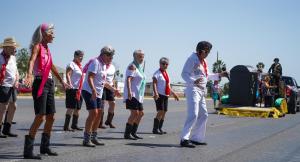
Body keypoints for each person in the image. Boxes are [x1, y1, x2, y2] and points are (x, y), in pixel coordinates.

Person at [23, 23, 70, 159]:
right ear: (44, 33)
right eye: (51, 32)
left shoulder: (47, 49)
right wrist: (29, 74)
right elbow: (31, 60)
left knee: (51, 117)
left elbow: (52, 66)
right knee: (40, 116)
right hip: (39, 82)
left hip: (49, 83)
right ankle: (28, 150)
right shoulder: (37, 46)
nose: (54, 35)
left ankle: (45, 147)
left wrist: (61, 81)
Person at [180, 41, 226, 148]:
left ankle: (196, 138)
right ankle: (184, 139)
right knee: (193, 114)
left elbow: (207, 75)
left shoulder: (204, 61)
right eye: (206, 51)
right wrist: (192, 81)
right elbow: (184, 74)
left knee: (204, 114)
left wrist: (220, 74)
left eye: (209, 51)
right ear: (200, 50)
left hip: (201, 90)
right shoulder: (192, 59)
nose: (208, 53)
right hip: (193, 89)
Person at [81, 45, 120, 147]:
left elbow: (103, 82)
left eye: (112, 57)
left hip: (98, 92)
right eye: (109, 56)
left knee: (99, 114)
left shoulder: (103, 65)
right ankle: (86, 139)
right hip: (89, 91)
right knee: (94, 113)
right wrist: (93, 90)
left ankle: (94, 137)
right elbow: (90, 78)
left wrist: (114, 89)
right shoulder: (96, 62)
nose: (111, 59)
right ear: (103, 54)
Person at [152, 57, 179, 134]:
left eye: (166, 64)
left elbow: (168, 85)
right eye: (163, 64)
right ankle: (155, 129)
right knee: (160, 111)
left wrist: (174, 93)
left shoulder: (166, 74)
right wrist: (156, 93)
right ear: (160, 64)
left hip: (165, 95)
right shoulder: (157, 73)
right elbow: (154, 84)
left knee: (164, 111)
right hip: (159, 94)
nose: (165, 65)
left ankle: (160, 128)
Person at [123, 49, 146, 140]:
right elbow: (129, 79)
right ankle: (127, 134)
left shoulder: (139, 67)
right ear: (134, 57)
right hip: (132, 94)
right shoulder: (132, 66)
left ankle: (133, 132)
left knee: (140, 113)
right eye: (140, 56)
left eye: (143, 57)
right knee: (135, 113)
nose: (142, 58)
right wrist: (129, 92)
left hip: (138, 94)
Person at [0, 37, 20, 138]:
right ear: (6, 47)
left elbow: (16, 71)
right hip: (3, 85)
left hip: (12, 86)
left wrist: (17, 80)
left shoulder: (13, 58)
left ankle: (7, 129)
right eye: (13, 47)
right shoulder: (0, 58)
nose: (15, 49)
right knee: (3, 108)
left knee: (13, 106)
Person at [63, 50, 84, 131]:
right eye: (79, 56)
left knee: (77, 108)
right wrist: (69, 83)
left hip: (79, 90)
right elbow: (68, 74)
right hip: (72, 89)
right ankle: (66, 126)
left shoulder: (79, 66)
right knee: (71, 108)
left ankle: (74, 125)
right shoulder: (72, 64)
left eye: (82, 56)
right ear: (75, 56)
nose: (81, 58)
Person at [99, 61, 117, 129]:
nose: (110, 59)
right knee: (102, 104)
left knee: (113, 103)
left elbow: (113, 78)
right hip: (103, 86)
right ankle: (100, 123)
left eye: (111, 58)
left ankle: (109, 121)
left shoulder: (112, 67)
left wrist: (114, 87)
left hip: (110, 86)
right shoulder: (102, 66)